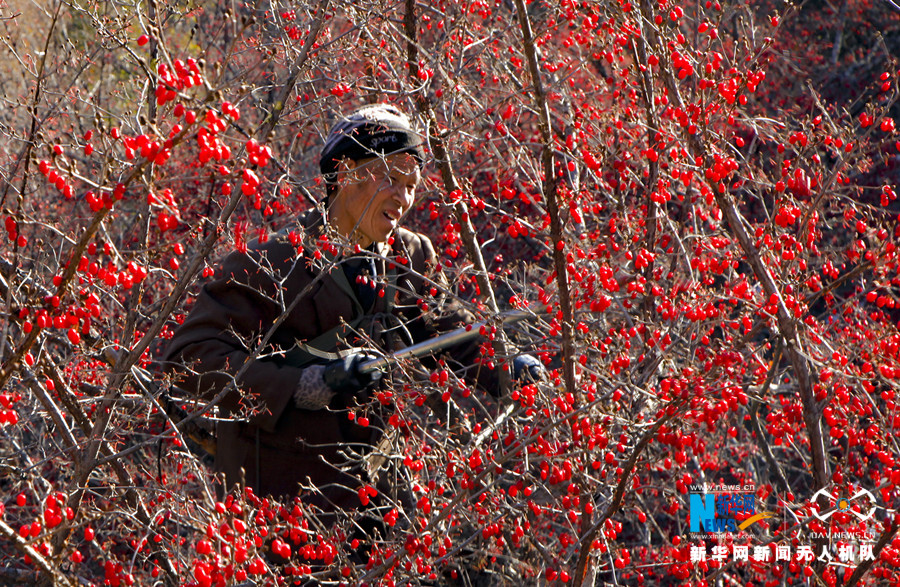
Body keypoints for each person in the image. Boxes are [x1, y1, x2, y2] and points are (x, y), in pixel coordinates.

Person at [163, 104, 541, 515]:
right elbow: (188, 359)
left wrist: (508, 366)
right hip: (277, 506)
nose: (403, 197)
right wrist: (307, 383)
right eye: (391, 179)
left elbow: (453, 335)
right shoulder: (271, 262)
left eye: (411, 185)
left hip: (375, 497)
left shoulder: (409, 256)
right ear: (345, 174)